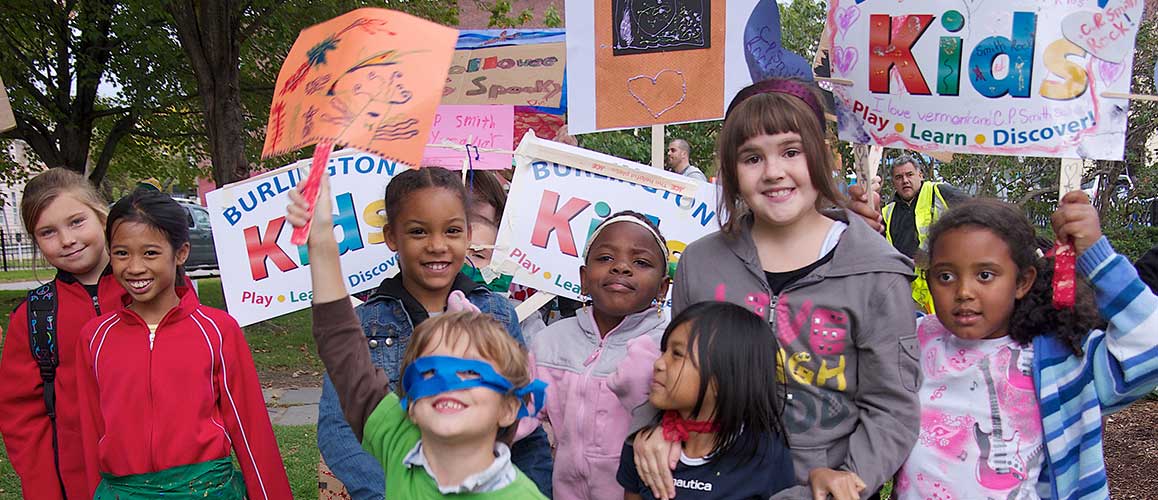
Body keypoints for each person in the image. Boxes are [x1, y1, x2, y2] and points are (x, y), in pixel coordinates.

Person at [634, 78, 920, 500]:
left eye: (791, 151)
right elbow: (676, 370)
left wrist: (843, 483)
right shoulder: (700, 262)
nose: (773, 172)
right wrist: (657, 429)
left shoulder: (876, 272)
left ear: (821, 156)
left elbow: (892, 409)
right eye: (752, 157)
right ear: (730, 170)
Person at [290, 170, 549, 499]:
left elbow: (532, 444)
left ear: (509, 407)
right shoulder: (398, 442)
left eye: (472, 371)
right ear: (409, 404)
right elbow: (341, 349)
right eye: (428, 372)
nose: (447, 383)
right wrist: (322, 243)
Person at [895, 194, 1158, 499]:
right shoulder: (917, 338)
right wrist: (858, 240)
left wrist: (1098, 258)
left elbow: (1150, 340)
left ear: (1022, 282)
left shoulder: (1060, 362)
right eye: (946, 276)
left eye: (985, 275)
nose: (964, 291)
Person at [73, 189, 291, 499]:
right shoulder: (95, 338)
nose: (134, 267)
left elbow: (250, 429)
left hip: (205, 491)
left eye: (150, 253)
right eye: (122, 253)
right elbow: (90, 432)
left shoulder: (217, 330)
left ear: (181, 253)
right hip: (122, 492)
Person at [0, 169, 125, 500]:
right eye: (48, 232)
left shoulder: (151, 288)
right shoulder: (33, 317)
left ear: (101, 216)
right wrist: (44, 488)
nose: (67, 239)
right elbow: (21, 418)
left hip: (163, 474)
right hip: (79, 481)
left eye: (76, 222)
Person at [532, 211, 671, 499]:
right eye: (606, 258)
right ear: (583, 278)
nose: (621, 267)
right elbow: (524, 419)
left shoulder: (671, 346)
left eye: (641, 262)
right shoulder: (549, 341)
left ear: (662, 288)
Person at [619, 302, 795, 499]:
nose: (659, 363)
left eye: (677, 354)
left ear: (726, 376)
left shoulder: (766, 455)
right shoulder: (644, 443)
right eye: (663, 351)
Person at [882, 156, 968, 313]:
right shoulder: (888, 212)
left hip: (943, 283)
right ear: (893, 182)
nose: (905, 181)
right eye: (899, 177)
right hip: (910, 292)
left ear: (920, 175)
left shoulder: (939, 192)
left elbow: (974, 214)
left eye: (909, 174)